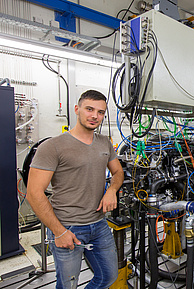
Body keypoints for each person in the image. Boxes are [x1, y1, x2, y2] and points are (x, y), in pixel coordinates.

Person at [27, 90, 124, 289]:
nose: (95, 116)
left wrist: (112, 190)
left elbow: (118, 173)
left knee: (108, 276)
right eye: (89, 109)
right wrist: (58, 231)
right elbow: (34, 193)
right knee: (68, 285)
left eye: (100, 112)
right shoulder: (53, 146)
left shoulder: (104, 142)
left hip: (98, 225)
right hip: (67, 227)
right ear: (77, 109)